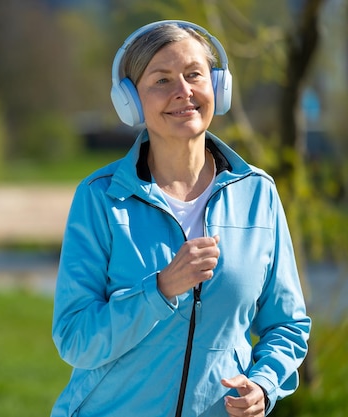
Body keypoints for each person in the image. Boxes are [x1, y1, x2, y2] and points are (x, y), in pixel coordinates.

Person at [50, 20, 311, 417]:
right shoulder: (100, 197)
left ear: (217, 88)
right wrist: (160, 290)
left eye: (193, 75)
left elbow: (287, 325)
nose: (183, 92)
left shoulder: (257, 194)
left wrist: (263, 384)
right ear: (131, 100)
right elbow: (75, 339)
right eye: (161, 80)